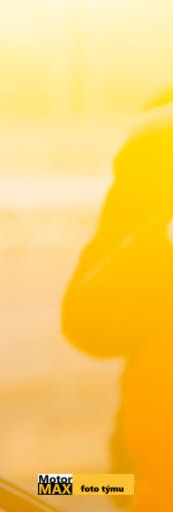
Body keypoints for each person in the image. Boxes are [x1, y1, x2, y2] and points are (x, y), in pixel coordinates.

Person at [62, 93, 173, 510]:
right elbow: (87, 323)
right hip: (146, 489)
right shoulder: (159, 137)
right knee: (54, 486)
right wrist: (165, 237)